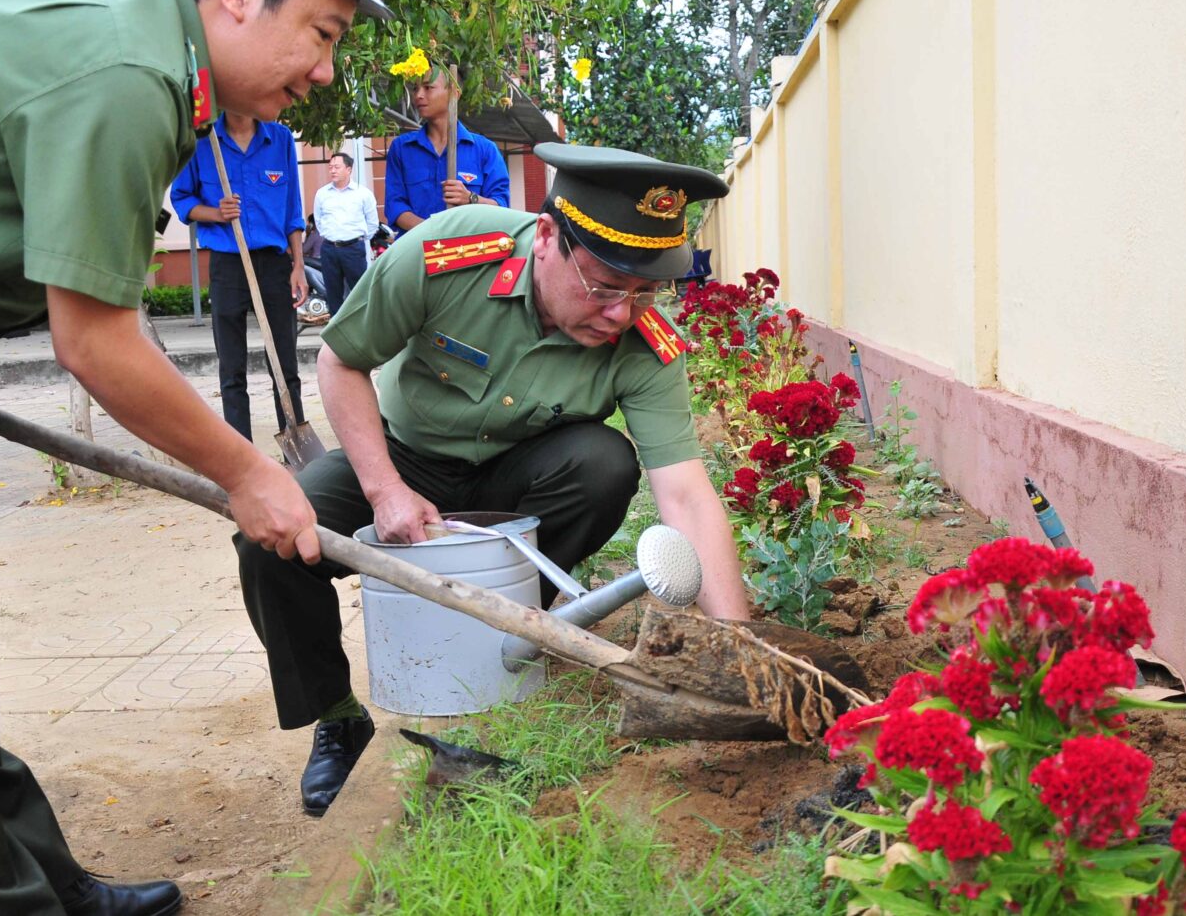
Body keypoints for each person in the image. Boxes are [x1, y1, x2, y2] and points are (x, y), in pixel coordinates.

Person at [0, 0, 411, 916]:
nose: (324, 73)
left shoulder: (149, 57)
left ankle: (43, 885)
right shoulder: (130, 68)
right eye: (320, 34)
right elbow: (93, 342)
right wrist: (248, 475)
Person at [237, 142, 752, 818]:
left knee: (606, 464)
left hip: (520, 477)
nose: (621, 314)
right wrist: (385, 488)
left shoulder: (644, 340)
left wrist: (743, 653)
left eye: (644, 290)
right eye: (603, 287)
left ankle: (514, 628)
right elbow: (340, 360)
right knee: (269, 540)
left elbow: (684, 492)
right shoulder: (452, 252)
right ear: (546, 236)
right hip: (404, 454)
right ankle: (337, 717)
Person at [170, 112, 308, 442]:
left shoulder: (280, 139)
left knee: (285, 364)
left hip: (274, 265)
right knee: (232, 368)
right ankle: (241, 452)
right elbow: (182, 199)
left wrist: (298, 266)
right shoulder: (202, 140)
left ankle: (296, 446)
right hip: (228, 265)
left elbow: (292, 210)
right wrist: (215, 213)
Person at [383, 65, 511, 231]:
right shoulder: (402, 149)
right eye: (416, 88)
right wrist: (433, 231)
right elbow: (395, 206)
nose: (418, 95)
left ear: (454, 93)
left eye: (428, 87)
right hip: (417, 250)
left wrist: (470, 198)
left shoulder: (485, 150)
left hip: (469, 251)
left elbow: (501, 207)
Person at [311, 150, 380, 313]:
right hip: (329, 248)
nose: (333, 170)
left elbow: (372, 223)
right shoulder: (322, 194)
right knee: (332, 292)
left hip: (353, 249)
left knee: (359, 292)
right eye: (330, 167)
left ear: (349, 169)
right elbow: (319, 221)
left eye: (337, 167)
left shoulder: (363, 194)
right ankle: (335, 332)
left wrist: (357, 239)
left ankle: (361, 329)